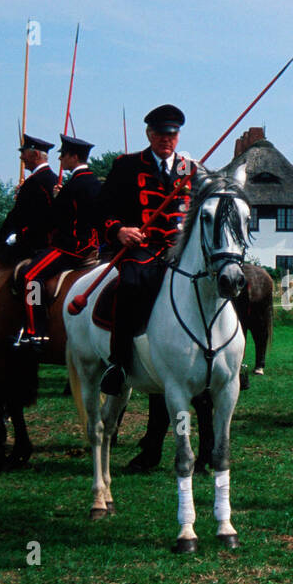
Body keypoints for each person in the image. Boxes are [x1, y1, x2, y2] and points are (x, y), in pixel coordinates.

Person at [95, 104, 199, 394]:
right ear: (149, 134)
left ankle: (229, 357)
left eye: (173, 135)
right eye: (161, 135)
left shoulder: (189, 169)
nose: (167, 140)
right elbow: (102, 208)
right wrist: (118, 230)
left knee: (219, 280)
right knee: (129, 283)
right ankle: (118, 362)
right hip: (142, 248)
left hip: (178, 249)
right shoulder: (126, 165)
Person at [13, 134, 100, 348]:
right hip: (86, 244)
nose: (60, 160)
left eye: (63, 155)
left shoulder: (76, 184)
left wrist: (58, 200)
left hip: (71, 247)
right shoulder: (90, 181)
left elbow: (58, 218)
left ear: (73, 156)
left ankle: (35, 331)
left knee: (30, 275)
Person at [1, 134, 56, 260]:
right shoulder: (38, 179)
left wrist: (18, 236)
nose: (21, 157)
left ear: (35, 154)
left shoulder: (41, 181)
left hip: (32, 246)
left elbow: (44, 217)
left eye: (23, 153)